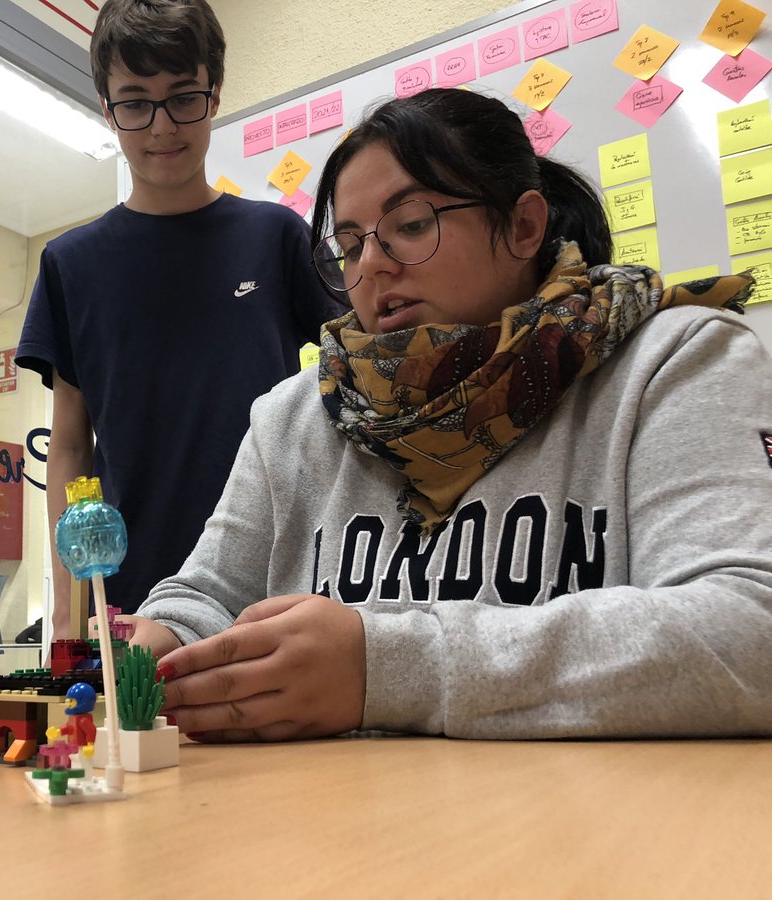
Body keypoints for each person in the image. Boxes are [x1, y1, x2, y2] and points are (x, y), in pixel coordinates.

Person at [129, 88, 772, 741]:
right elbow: (206, 600)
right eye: (350, 246)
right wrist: (158, 640)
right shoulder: (295, 417)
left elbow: (752, 630)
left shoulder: (672, 361)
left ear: (523, 226)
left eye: (410, 225)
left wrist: (390, 669)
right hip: (336, 827)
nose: (372, 266)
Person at [16, 0, 340, 640]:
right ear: (108, 111)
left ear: (214, 95)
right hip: (130, 596)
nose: (162, 126)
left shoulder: (276, 237)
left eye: (182, 96)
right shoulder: (70, 265)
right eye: (135, 102)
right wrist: (66, 610)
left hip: (273, 584)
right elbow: (72, 447)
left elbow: (358, 380)